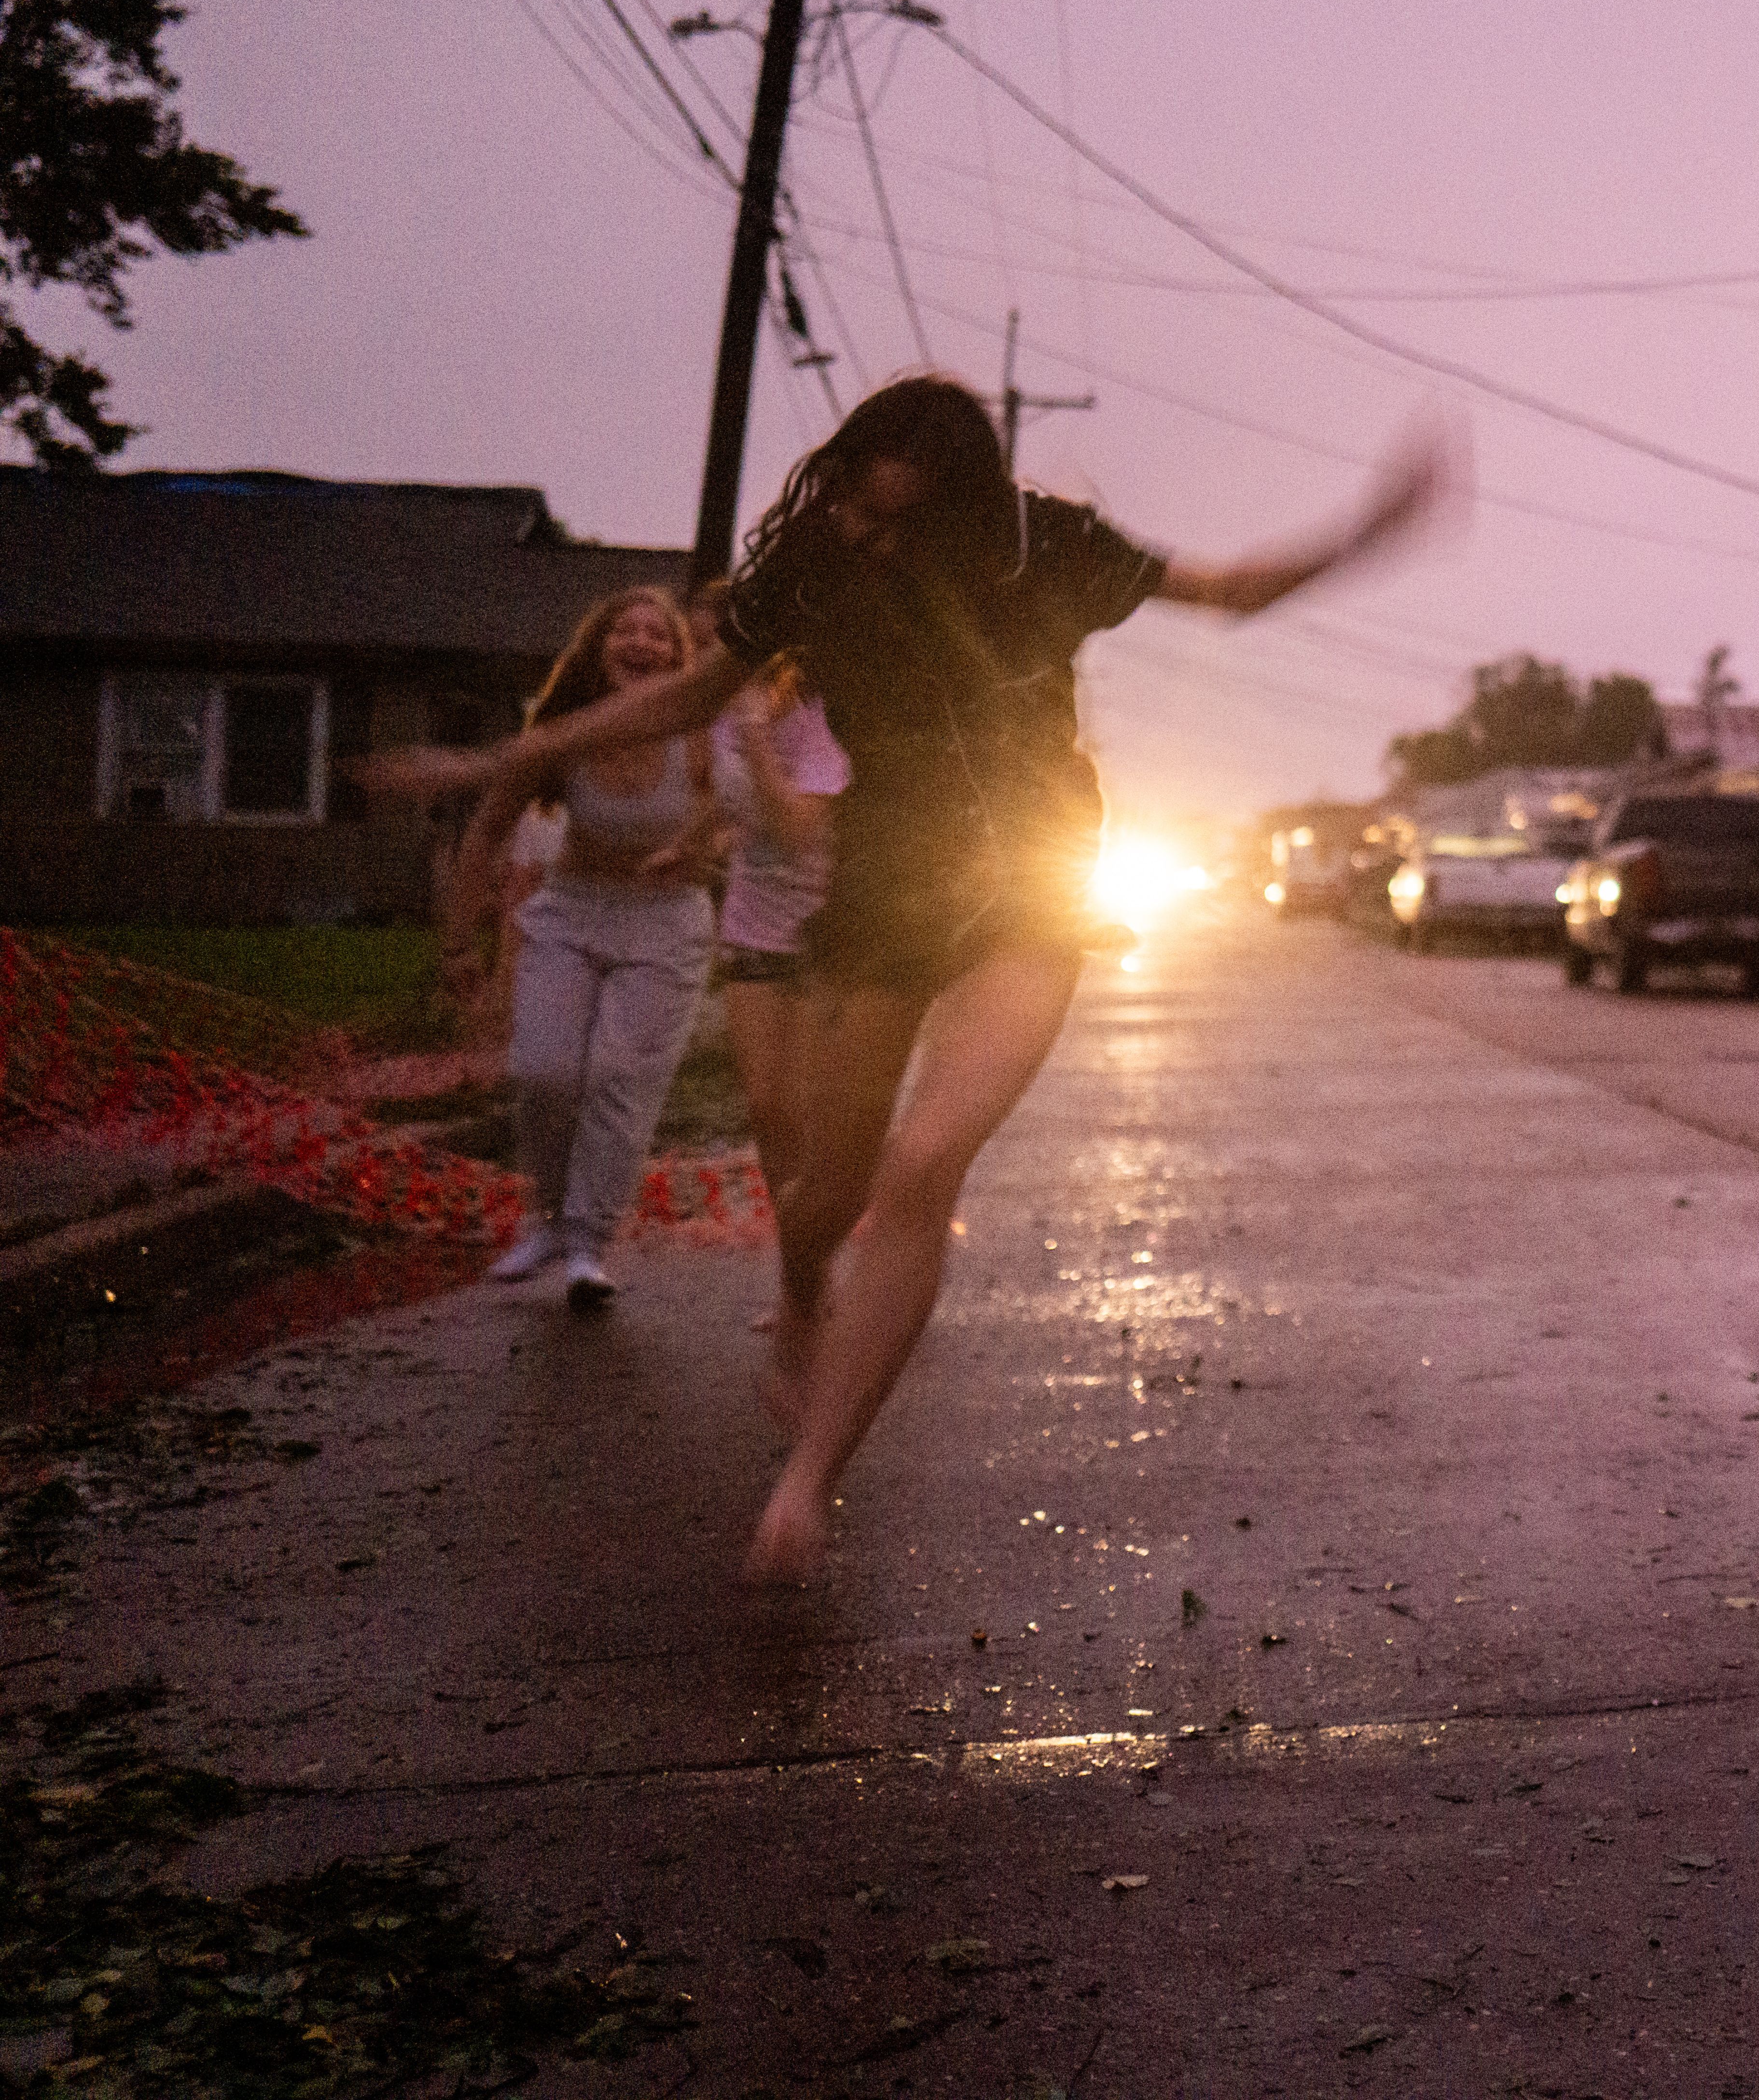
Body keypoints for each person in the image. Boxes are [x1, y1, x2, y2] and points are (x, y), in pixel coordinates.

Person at [370, 375, 1457, 1583]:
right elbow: (694, 687)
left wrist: (1363, 533)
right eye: (855, 510)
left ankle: (806, 1484)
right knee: (823, 1185)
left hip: (1032, 882)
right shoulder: (810, 562)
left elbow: (1228, 592)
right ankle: (798, 1293)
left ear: (964, 519)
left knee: (924, 1164)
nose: (868, 539)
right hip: (887, 880)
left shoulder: (1051, 549)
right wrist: (518, 750)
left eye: (900, 524)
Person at [456, 586, 726, 1309]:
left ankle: (586, 1247)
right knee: (544, 1071)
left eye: (659, 635)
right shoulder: (562, 733)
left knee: (616, 1080)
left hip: (666, 926)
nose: (643, 644)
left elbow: (734, 817)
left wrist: (695, 847)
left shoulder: (699, 733)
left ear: (679, 655)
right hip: (573, 914)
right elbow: (484, 832)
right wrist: (460, 946)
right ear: (598, 650)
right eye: (626, 632)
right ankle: (545, 1221)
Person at [696, 584, 852, 1349]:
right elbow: (729, 810)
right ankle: (803, 1285)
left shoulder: (820, 714)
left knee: (828, 1118)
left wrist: (759, 740)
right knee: (768, 1109)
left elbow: (794, 828)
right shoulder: (725, 715)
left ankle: (861, 1237)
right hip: (757, 924)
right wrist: (703, 841)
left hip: (840, 933)